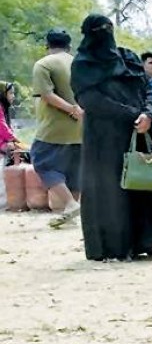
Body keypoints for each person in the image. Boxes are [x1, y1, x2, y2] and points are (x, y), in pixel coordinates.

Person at [71, 15, 152, 260]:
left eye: (108, 28)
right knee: (111, 192)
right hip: (105, 141)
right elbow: (90, 100)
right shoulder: (83, 64)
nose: (105, 34)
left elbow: (148, 89)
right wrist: (131, 114)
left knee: (148, 186)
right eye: (100, 30)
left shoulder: (128, 57)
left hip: (140, 132)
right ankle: (116, 246)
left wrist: (148, 114)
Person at [31, 28, 83, 223]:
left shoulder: (43, 64)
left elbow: (46, 95)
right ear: (69, 46)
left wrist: (71, 109)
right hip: (81, 128)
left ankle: (70, 204)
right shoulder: (79, 64)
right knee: (74, 170)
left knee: (42, 161)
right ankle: (73, 211)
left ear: (47, 45)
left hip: (53, 129)